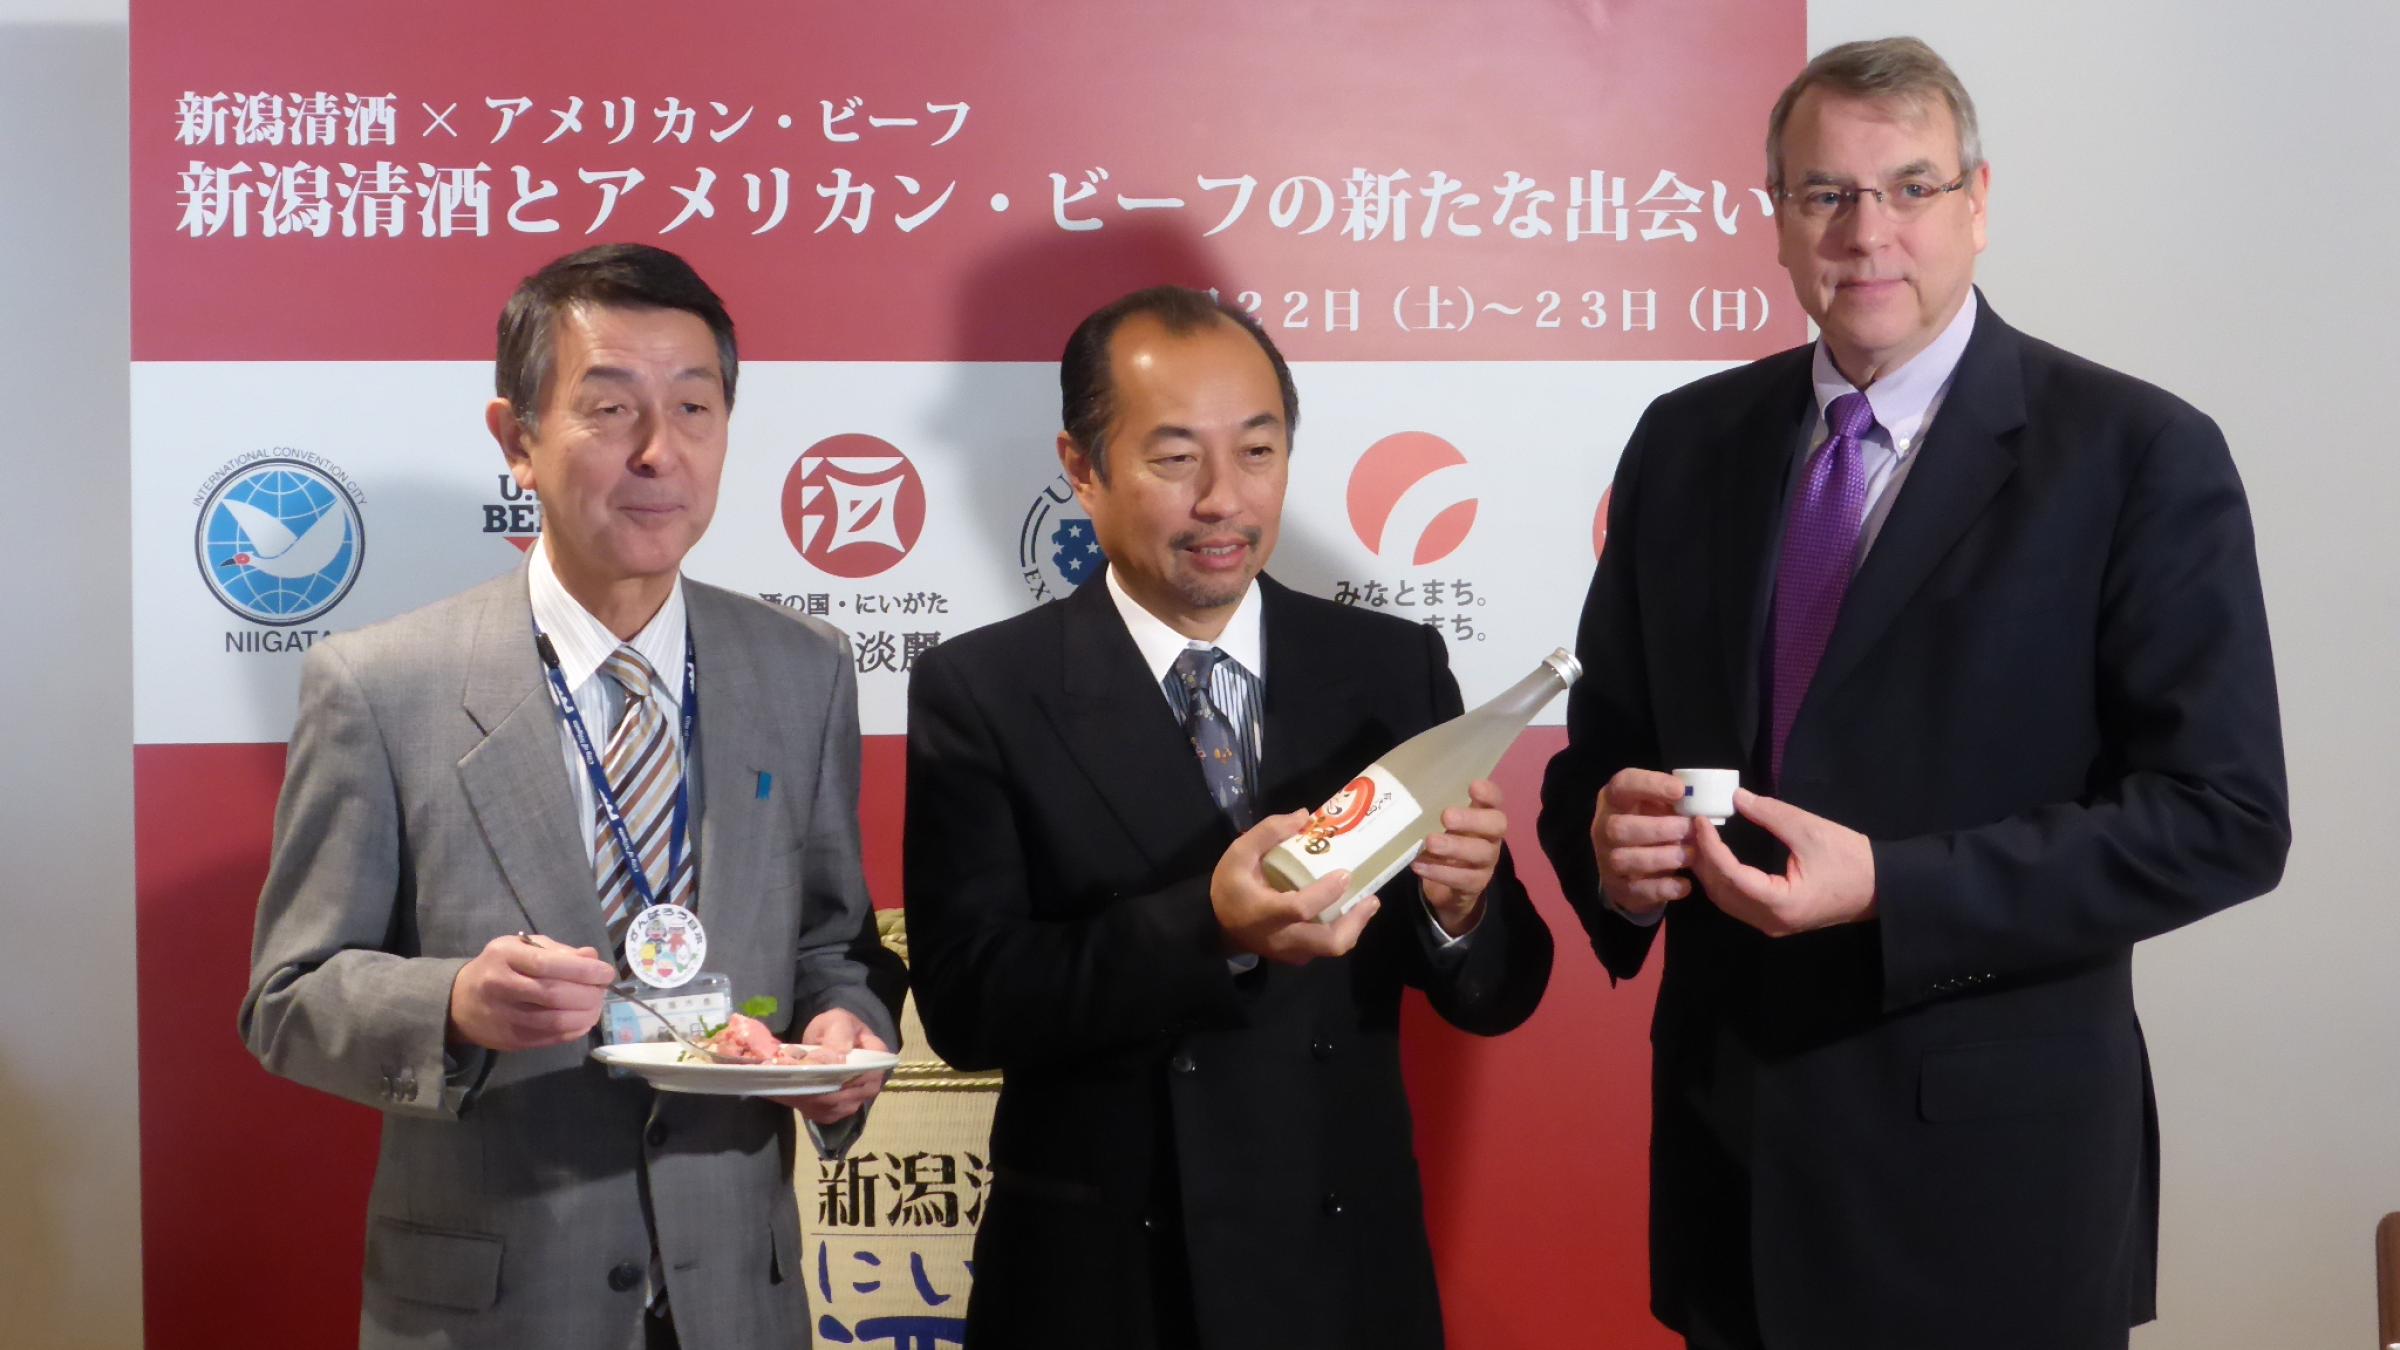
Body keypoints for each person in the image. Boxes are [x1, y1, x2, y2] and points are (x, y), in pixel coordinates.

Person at [1536, 36, 2290, 1350]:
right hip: (1736, 1161)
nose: (1866, 232)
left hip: (1991, 1190)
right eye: (1825, 193)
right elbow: (1599, 754)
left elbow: (2224, 816)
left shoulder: (2135, 454)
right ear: (1775, 219)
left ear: (1980, 204)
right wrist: (1609, 843)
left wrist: (1893, 886)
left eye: (1911, 188)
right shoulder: (1686, 440)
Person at [240, 243, 905, 1350]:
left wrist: (846, 1034)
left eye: (695, 407)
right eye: (609, 409)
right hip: (494, 1307)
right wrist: (451, 1005)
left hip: (736, 1299)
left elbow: (832, 943)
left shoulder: (805, 668)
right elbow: (288, 998)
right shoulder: (383, 684)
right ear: (519, 440)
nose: (660, 451)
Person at [903, 285, 1553, 1350]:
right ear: (1080, 466)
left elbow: (1499, 994)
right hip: (1105, 1283)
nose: (1224, 500)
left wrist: (1462, 907)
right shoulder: (985, 691)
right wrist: (1207, 930)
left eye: (1257, 453)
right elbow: (972, 1004)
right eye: (1173, 459)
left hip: (1340, 1276)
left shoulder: (1388, 669)